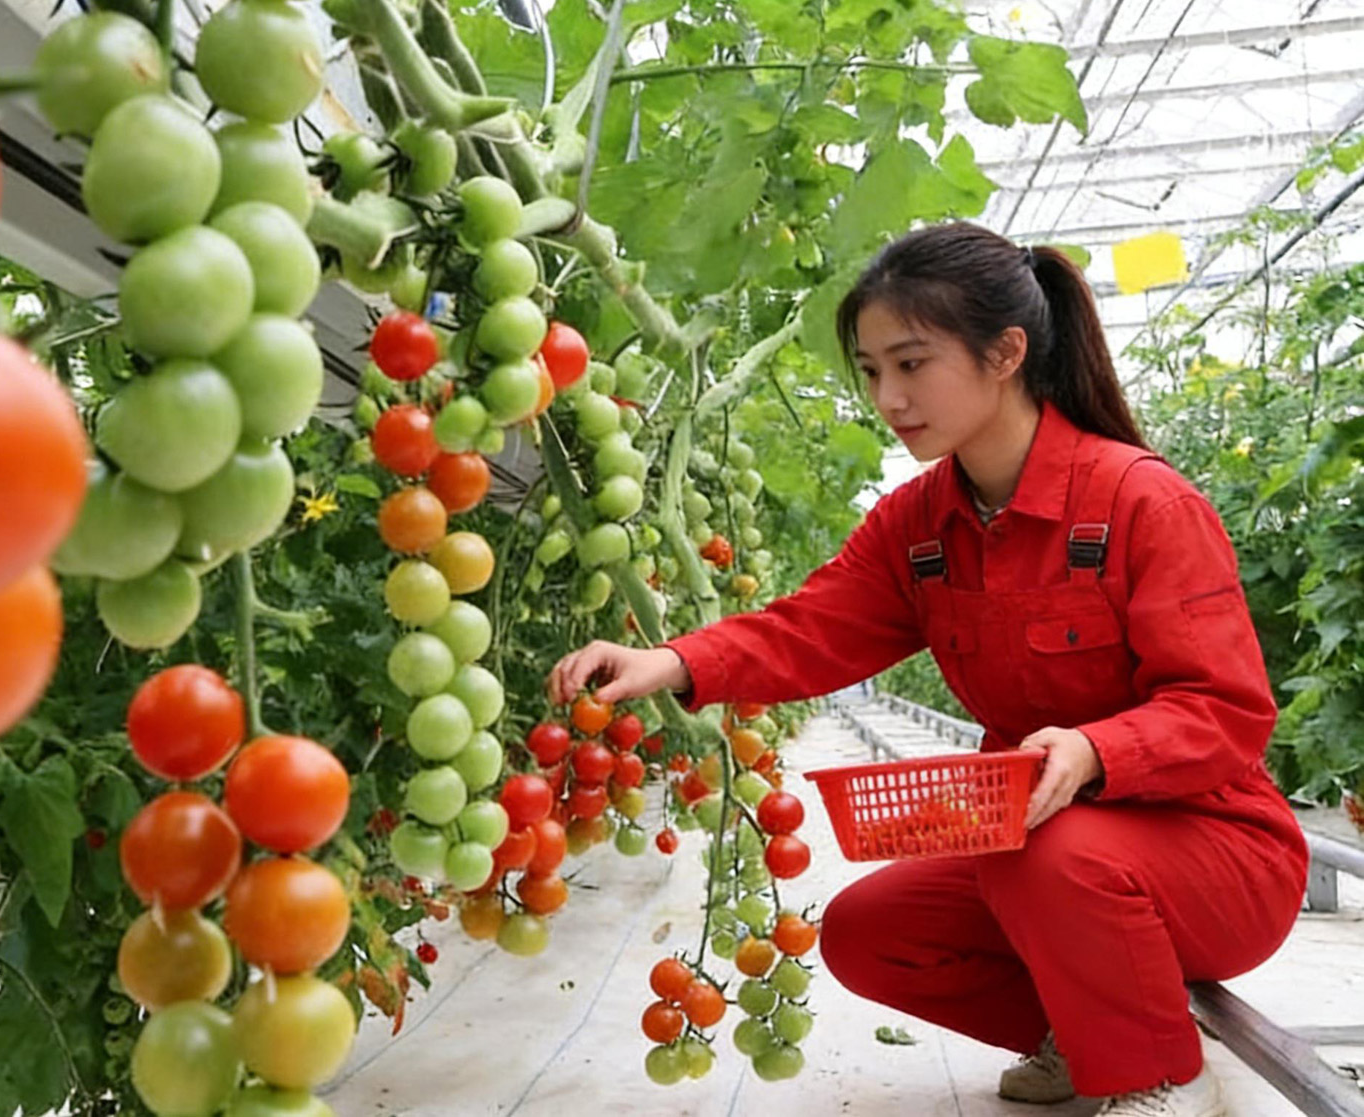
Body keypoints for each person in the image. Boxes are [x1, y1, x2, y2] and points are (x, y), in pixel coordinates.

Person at [546, 222, 1307, 1117]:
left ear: (1005, 352)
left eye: (911, 363)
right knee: (874, 933)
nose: (889, 396)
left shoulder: (1139, 502)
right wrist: (671, 659)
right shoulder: (920, 526)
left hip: (1218, 854)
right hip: (1054, 854)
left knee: (1041, 850)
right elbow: (808, 628)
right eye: (872, 371)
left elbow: (1226, 712)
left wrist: (1097, 751)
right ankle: (1086, 1028)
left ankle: (1156, 1075)